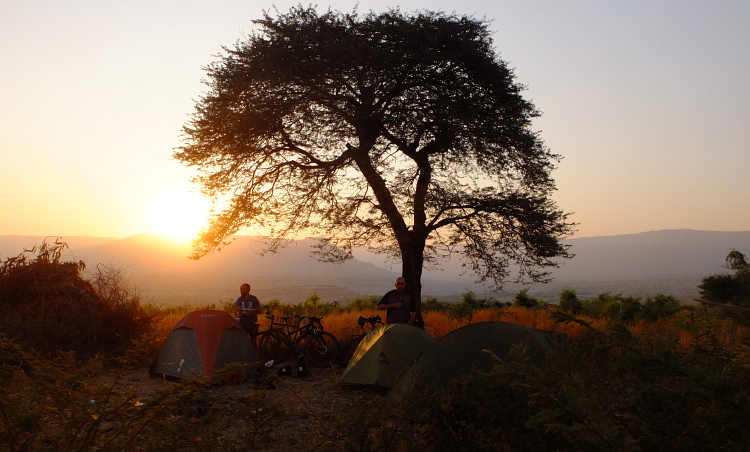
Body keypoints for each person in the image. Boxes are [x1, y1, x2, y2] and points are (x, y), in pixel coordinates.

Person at [236, 283, 262, 349]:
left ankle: (256, 356)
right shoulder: (239, 300)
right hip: (243, 322)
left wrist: (250, 313)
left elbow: (259, 310)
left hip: (251, 322)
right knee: (243, 341)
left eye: (242, 289)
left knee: (253, 342)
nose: (240, 291)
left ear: (248, 290)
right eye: (240, 289)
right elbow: (240, 311)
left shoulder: (254, 299)